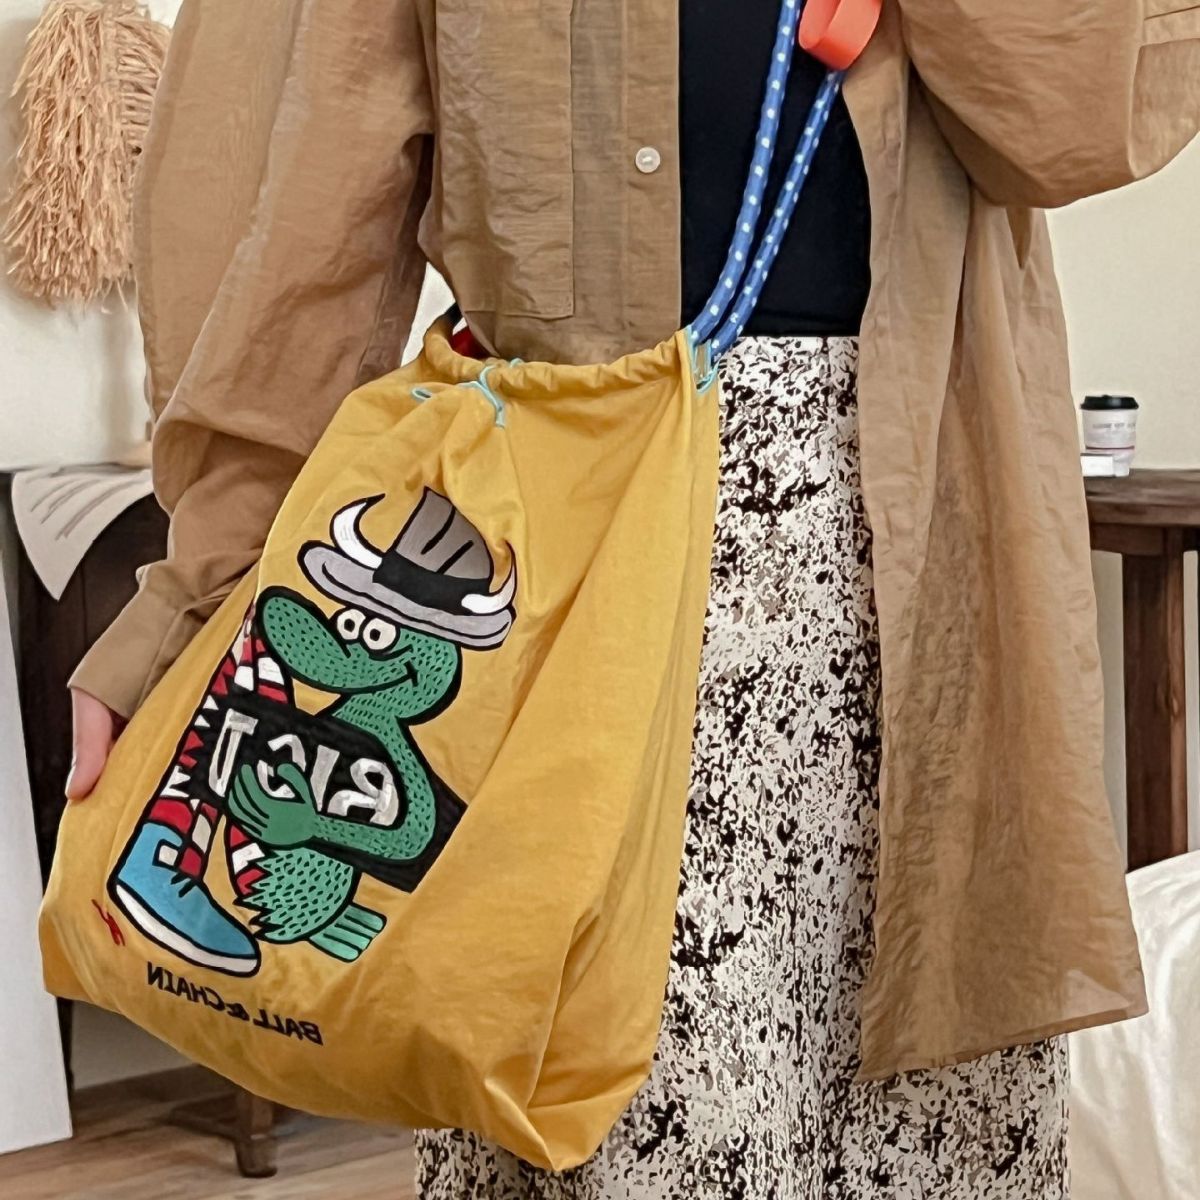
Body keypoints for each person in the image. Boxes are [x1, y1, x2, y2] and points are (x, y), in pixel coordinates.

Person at [66, 1, 1200, 1196]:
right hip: (568, 571)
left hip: (935, 553)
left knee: (932, 1117)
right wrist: (194, 603)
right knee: (617, 1112)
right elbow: (287, 225)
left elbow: (1092, 116)